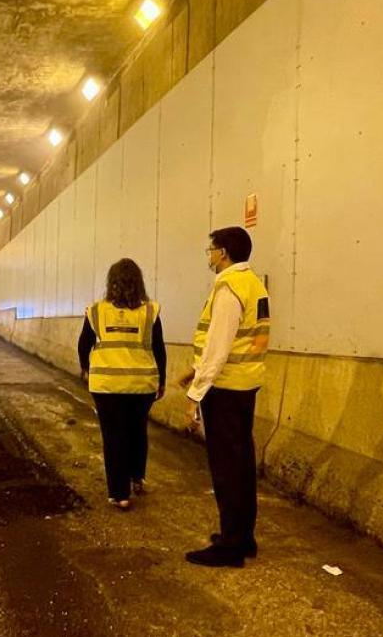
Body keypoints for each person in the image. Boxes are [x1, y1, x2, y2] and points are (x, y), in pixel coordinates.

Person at [177, 226, 271, 567]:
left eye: (211, 249)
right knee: (241, 465)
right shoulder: (253, 283)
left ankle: (231, 546)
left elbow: (218, 348)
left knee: (226, 469)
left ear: (224, 253)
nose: (210, 255)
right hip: (245, 385)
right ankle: (243, 538)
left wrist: (194, 396)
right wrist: (195, 369)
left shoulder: (228, 287)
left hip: (226, 390)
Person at [78, 258, 167, 510]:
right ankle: (137, 476)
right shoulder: (150, 311)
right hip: (141, 384)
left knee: (114, 436)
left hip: (106, 385)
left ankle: (120, 494)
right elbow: (159, 348)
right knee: (137, 430)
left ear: (111, 282)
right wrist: (162, 380)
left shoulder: (96, 311)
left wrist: (86, 369)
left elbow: (83, 345)